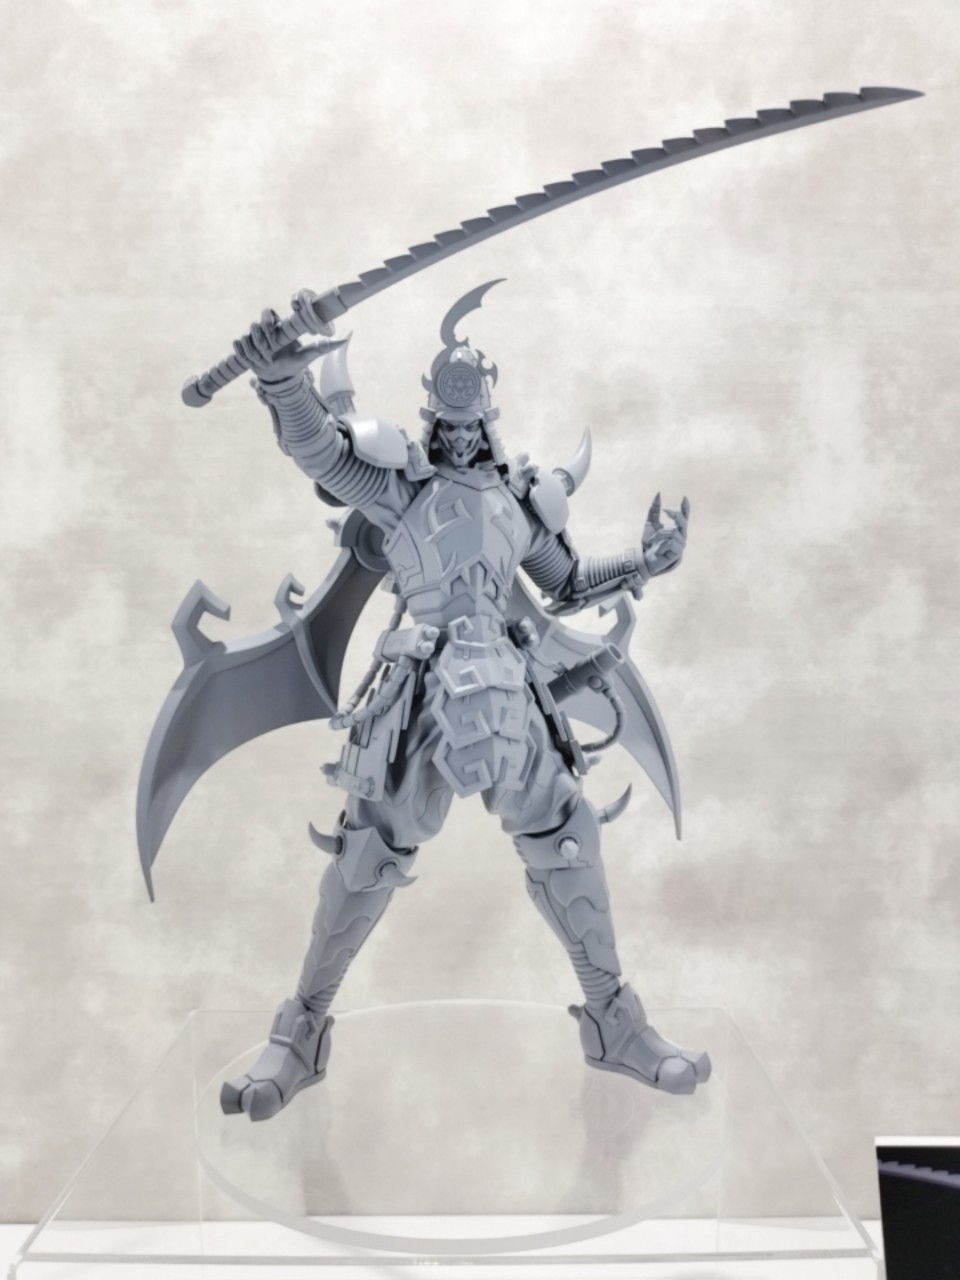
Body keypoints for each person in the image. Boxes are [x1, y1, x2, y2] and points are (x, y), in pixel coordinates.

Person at [216, 282, 710, 1120]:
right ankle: (300, 1033)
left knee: (567, 838)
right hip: (418, 689)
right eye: (447, 421)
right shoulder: (402, 487)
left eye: (472, 420)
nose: (460, 433)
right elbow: (321, 454)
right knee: (367, 858)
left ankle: (615, 1025)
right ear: (430, 417)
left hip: (511, 691)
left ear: (490, 415)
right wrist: (283, 382)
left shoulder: (520, 501)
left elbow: (565, 581)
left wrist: (643, 562)